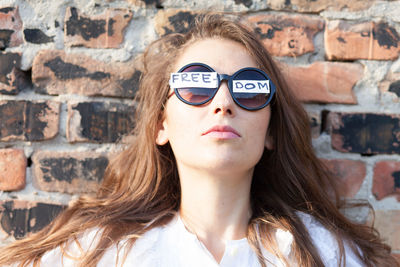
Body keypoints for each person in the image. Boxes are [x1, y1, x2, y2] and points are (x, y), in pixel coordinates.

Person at [0, 14, 398, 267]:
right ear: (161, 125)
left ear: (272, 130)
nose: (224, 102)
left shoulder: (324, 254)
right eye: (195, 85)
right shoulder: (96, 253)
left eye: (249, 89)